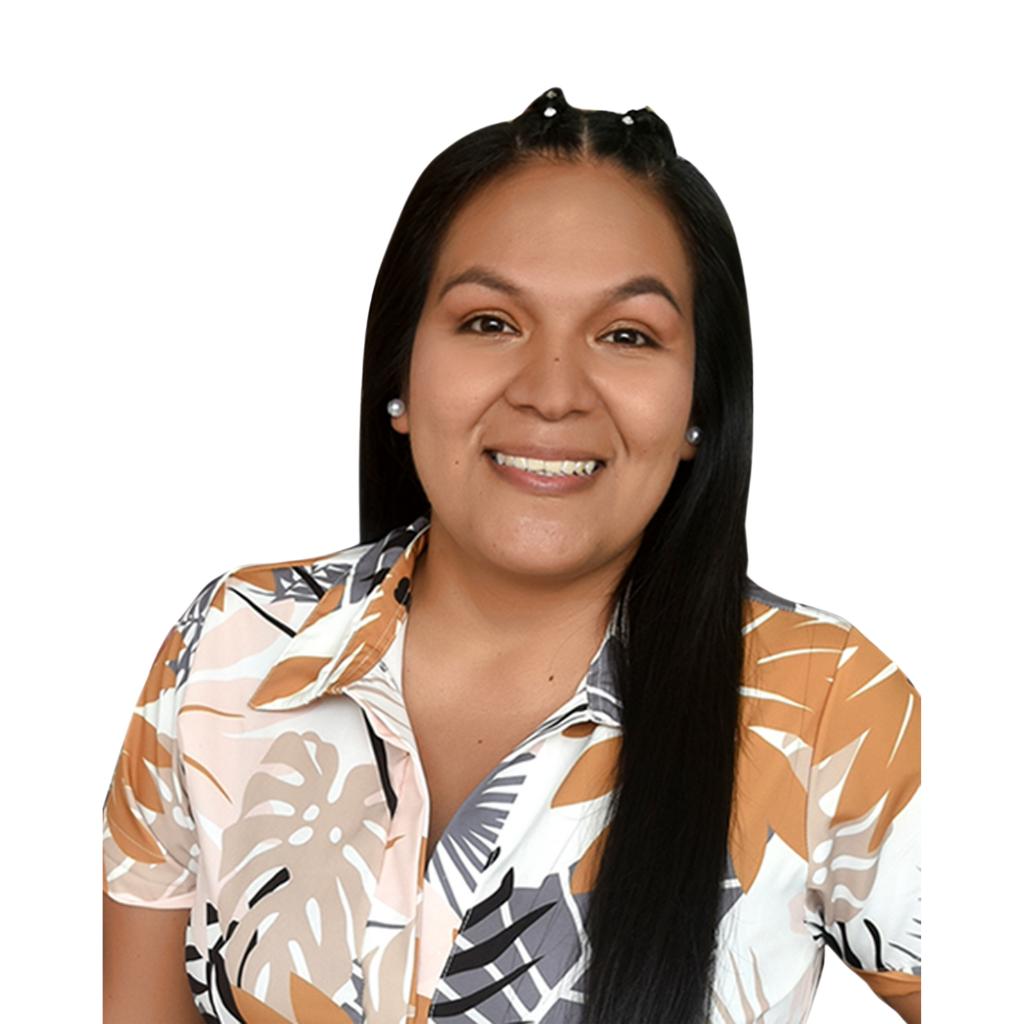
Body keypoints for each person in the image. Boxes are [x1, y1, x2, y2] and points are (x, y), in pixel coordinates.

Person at [102, 86, 921, 1023]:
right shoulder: (229, 649)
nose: (552, 391)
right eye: (491, 322)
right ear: (401, 372)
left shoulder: (827, 710)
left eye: (626, 335)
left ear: (700, 405)